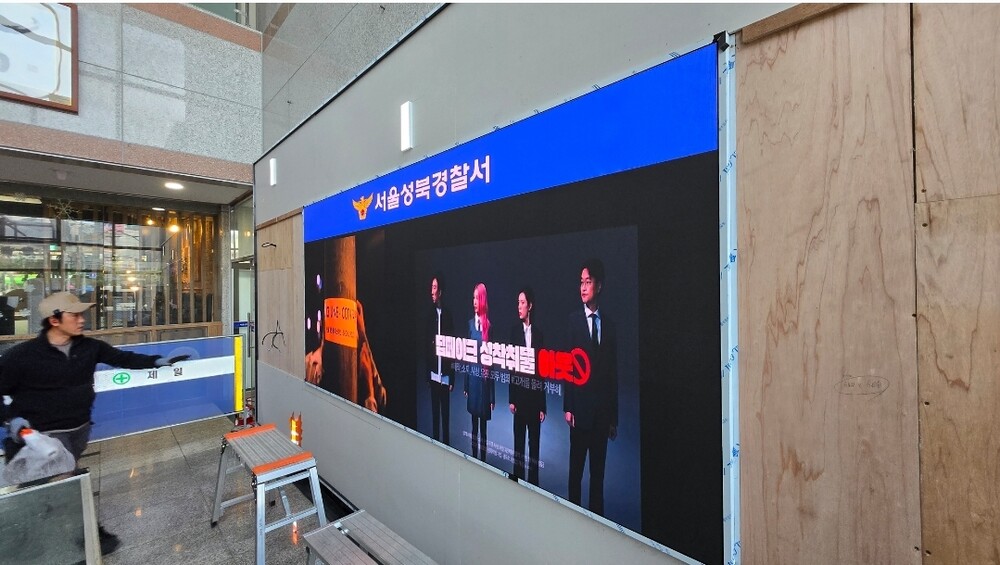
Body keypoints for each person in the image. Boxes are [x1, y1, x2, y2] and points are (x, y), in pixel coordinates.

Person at [0, 292, 189, 555]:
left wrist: (158, 361)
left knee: (55, 481)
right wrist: (12, 420)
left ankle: (33, 517)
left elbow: (123, 359)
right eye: (75, 315)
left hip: (79, 428)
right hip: (45, 435)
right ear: (54, 320)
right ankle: (88, 536)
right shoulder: (22, 356)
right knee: (68, 480)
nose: (82, 320)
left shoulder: (89, 347)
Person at [564, 259, 618, 516]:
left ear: (599, 285)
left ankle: (597, 522)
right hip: (579, 413)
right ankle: (572, 518)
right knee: (575, 474)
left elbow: (612, 374)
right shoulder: (573, 321)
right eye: (581, 282)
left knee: (598, 476)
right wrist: (568, 407)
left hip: (602, 416)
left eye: (588, 282)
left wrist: (613, 418)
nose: (583, 287)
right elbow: (567, 366)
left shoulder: (609, 325)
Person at [509, 286, 545, 485]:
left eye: (522, 303)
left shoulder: (539, 335)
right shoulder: (514, 333)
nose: (519, 307)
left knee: (535, 447)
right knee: (518, 446)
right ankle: (517, 484)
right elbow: (511, 368)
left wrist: (543, 406)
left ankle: (534, 486)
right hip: (520, 399)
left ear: (530, 306)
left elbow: (542, 372)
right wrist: (512, 399)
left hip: (534, 400)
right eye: (517, 303)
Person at [464, 283, 494, 462]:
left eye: (477, 298)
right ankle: (474, 459)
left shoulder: (488, 326)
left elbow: (491, 364)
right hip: (473, 383)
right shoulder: (469, 325)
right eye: (473, 298)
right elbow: (467, 356)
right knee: (474, 426)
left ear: (483, 300)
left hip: (484, 384)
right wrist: (466, 385)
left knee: (483, 428)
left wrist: (492, 397)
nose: (474, 301)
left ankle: (483, 461)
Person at [425, 274, 455, 445]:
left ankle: (447, 446)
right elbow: (426, 346)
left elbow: (453, 347)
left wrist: (452, 377)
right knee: (435, 414)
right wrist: (427, 375)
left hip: (445, 375)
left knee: (446, 416)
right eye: (431, 287)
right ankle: (435, 445)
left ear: (441, 291)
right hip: (433, 374)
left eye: (435, 287)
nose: (432, 291)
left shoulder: (448, 315)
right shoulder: (429, 315)